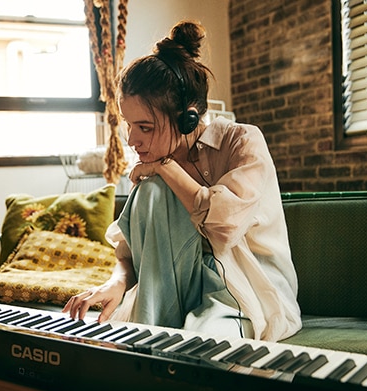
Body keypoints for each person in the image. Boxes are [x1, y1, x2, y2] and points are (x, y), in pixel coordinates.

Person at [63, 20, 301, 342]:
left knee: (200, 345)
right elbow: (130, 252)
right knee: (153, 193)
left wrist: (166, 168)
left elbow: (223, 228)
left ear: (188, 118)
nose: (132, 139)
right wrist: (116, 283)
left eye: (145, 127)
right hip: (170, 293)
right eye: (128, 124)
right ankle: (150, 340)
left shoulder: (243, 142)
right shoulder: (152, 171)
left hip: (242, 291)